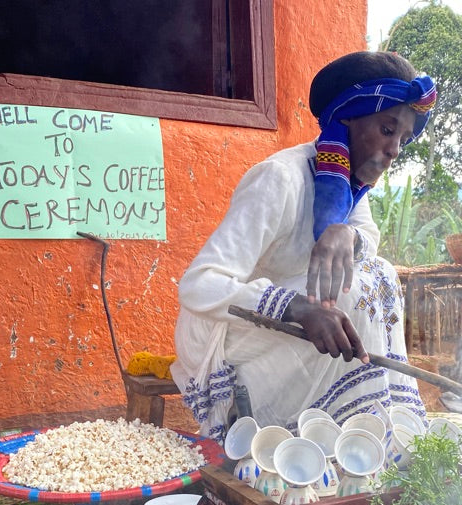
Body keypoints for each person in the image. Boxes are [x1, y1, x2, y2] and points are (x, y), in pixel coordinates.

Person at [171, 51, 437, 442]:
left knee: (377, 274)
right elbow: (198, 285)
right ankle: (321, 437)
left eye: (404, 139)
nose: (395, 149)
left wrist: (346, 233)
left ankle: (362, 435)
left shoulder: (350, 184)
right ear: (347, 118)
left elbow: (369, 239)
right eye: (386, 129)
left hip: (274, 323)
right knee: (357, 290)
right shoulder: (279, 179)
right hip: (220, 335)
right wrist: (296, 308)